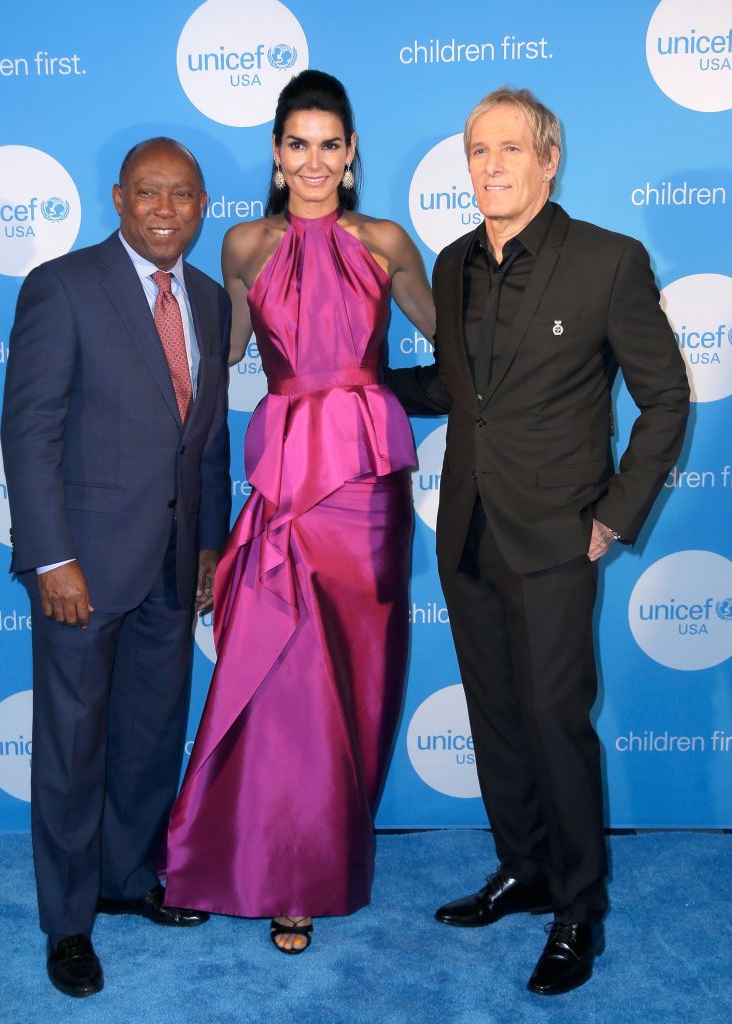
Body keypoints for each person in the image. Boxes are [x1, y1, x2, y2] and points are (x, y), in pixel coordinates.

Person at [387, 87, 689, 995]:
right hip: (468, 530)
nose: (491, 166)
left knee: (555, 726)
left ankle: (578, 909)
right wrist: (354, 381)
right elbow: (456, 390)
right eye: (478, 150)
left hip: (558, 536)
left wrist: (615, 513)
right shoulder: (451, 263)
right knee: (496, 720)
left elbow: (664, 398)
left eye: (510, 149)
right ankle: (524, 869)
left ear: (548, 161)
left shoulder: (607, 260)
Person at [163, 69, 435, 954]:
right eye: (296, 144)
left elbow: (459, 346)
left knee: (354, 676)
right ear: (277, 155)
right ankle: (272, 867)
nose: (313, 161)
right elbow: (225, 356)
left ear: (350, 154)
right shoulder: (243, 244)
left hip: (365, 487)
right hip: (285, 478)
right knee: (282, 672)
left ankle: (318, 857)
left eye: (329, 145)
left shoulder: (386, 240)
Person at [1, 138, 232, 998]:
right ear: (118, 199)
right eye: (148, 192)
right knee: (72, 746)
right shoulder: (62, 286)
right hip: (83, 567)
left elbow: (205, 436)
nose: (165, 208)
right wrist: (51, 556)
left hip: (172, 562)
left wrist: (208, 544)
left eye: (182, 194)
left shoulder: (209, 299)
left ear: (203, 205)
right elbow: (30, 432)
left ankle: (128, 878)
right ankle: (67, 922)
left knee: (148, 736)